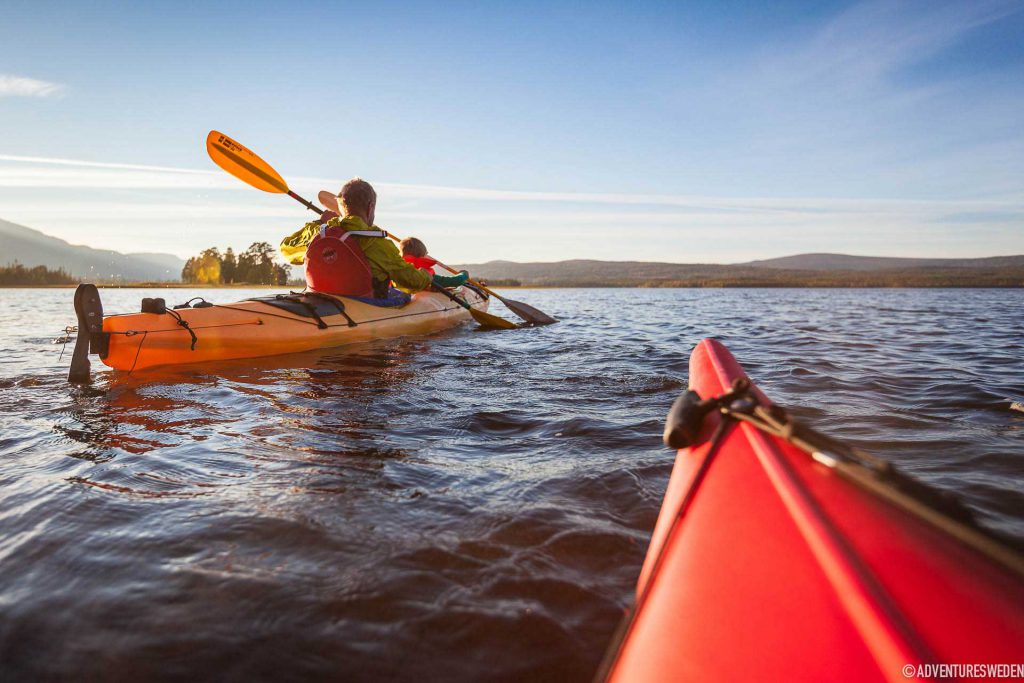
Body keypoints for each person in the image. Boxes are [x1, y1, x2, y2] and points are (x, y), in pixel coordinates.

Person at [280, 178, 468, 299]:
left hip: (323, 299)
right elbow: (410, 282)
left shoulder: (321, 232)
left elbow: (286, 250)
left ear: (342, 207)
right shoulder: (378, 243)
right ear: (370, 208)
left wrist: (318, 223)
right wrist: (426, 275)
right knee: (400, 295)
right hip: (366, 303)